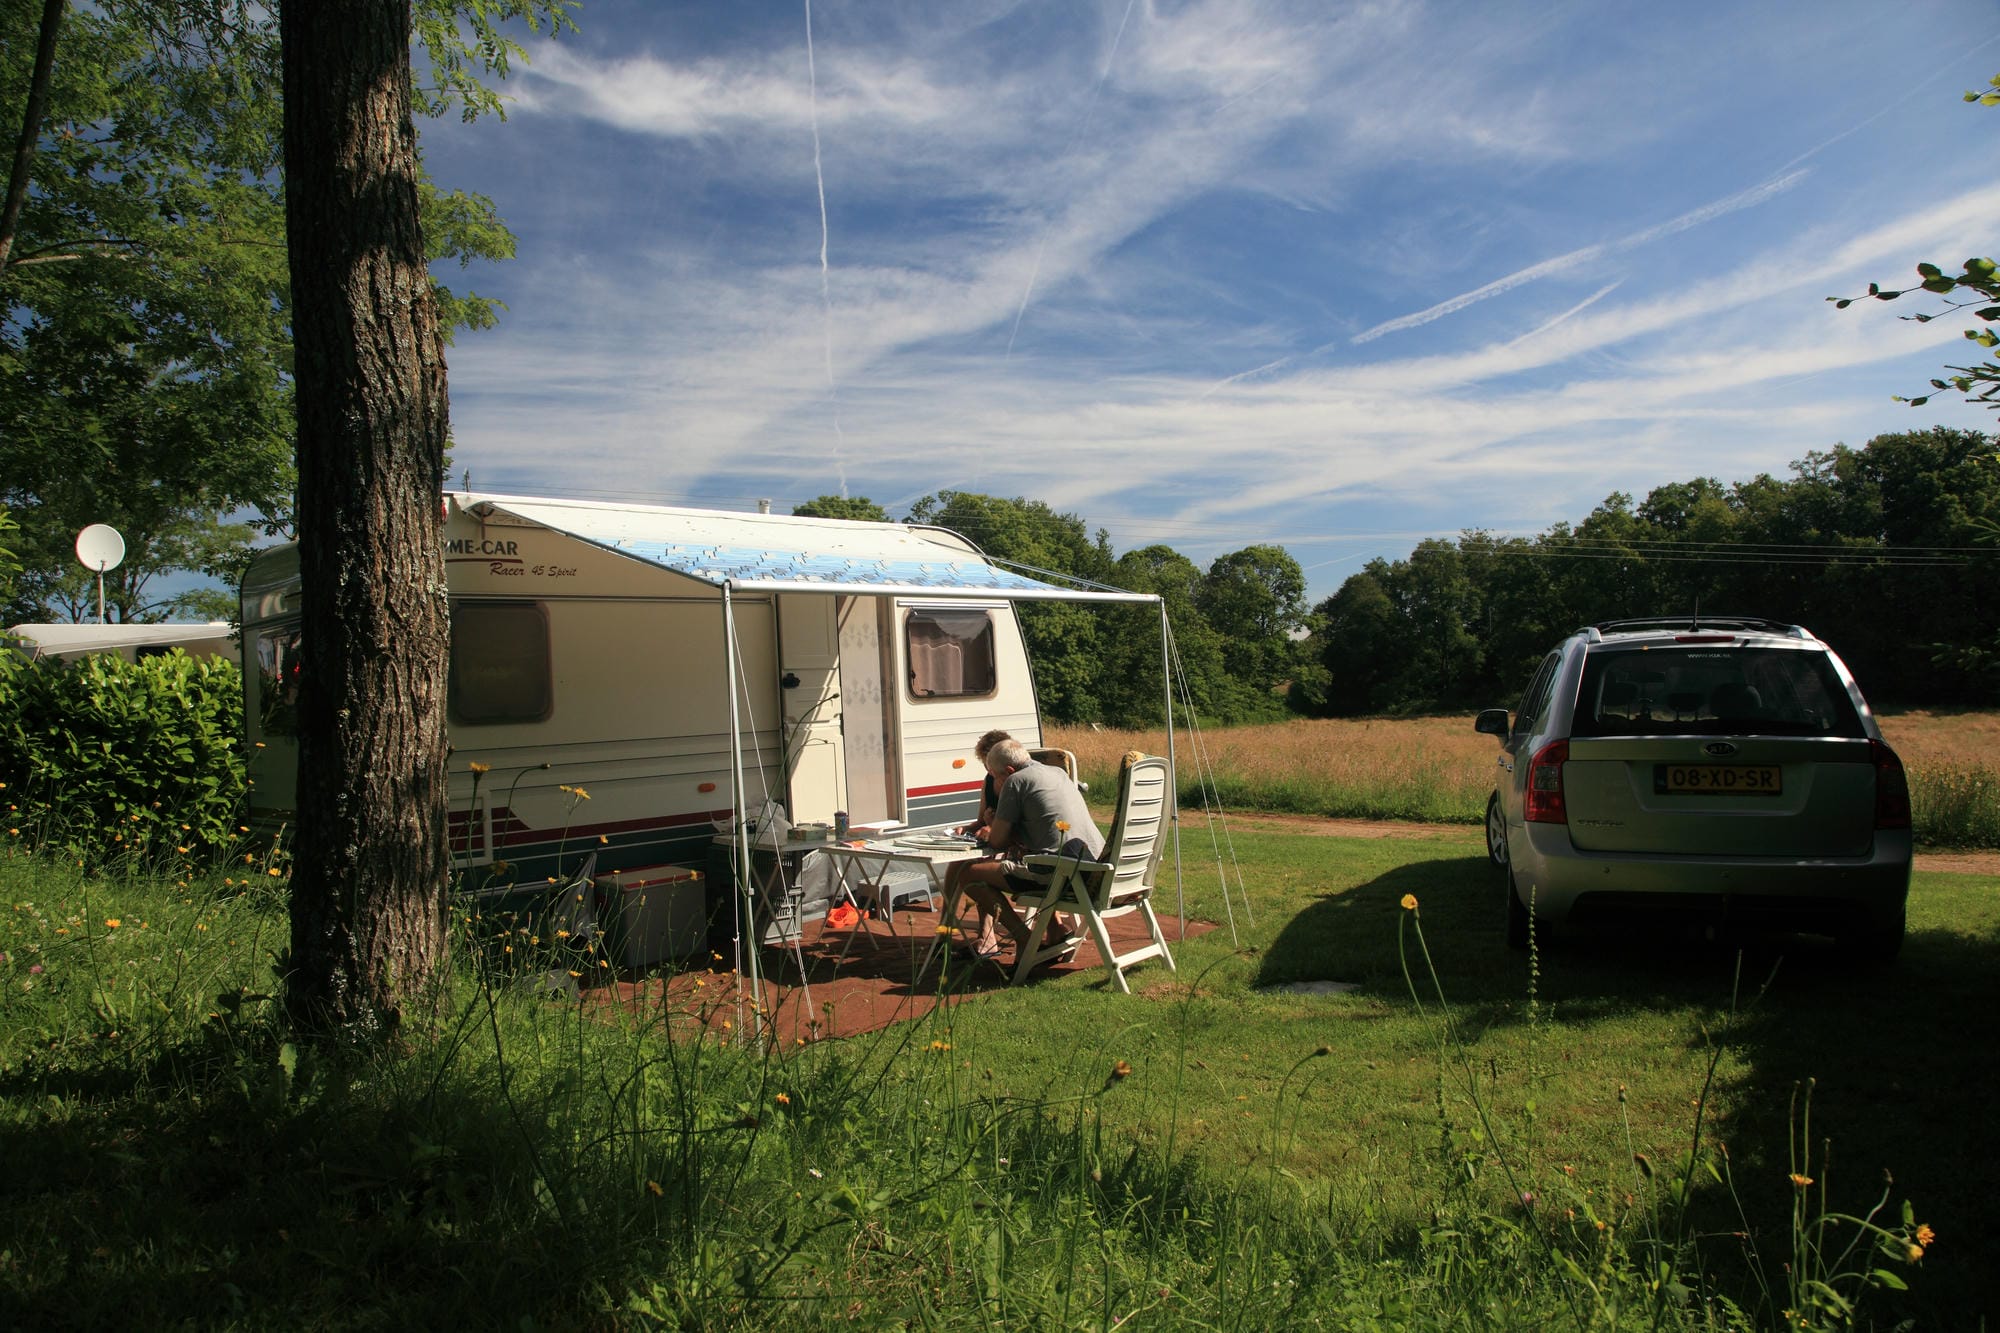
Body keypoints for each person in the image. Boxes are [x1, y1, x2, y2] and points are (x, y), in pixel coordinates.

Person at [957, 737, 1103, 961]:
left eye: (995, 777)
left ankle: (1025, 939)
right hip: (1095, 868)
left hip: (1061, 875)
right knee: (1027, 858)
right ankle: (1055, 931)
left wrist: (991, 821)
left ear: (1008, 770)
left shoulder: (1015, 781)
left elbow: (996, 842)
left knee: (968, 874)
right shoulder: (1057, 773)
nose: (995, 783)